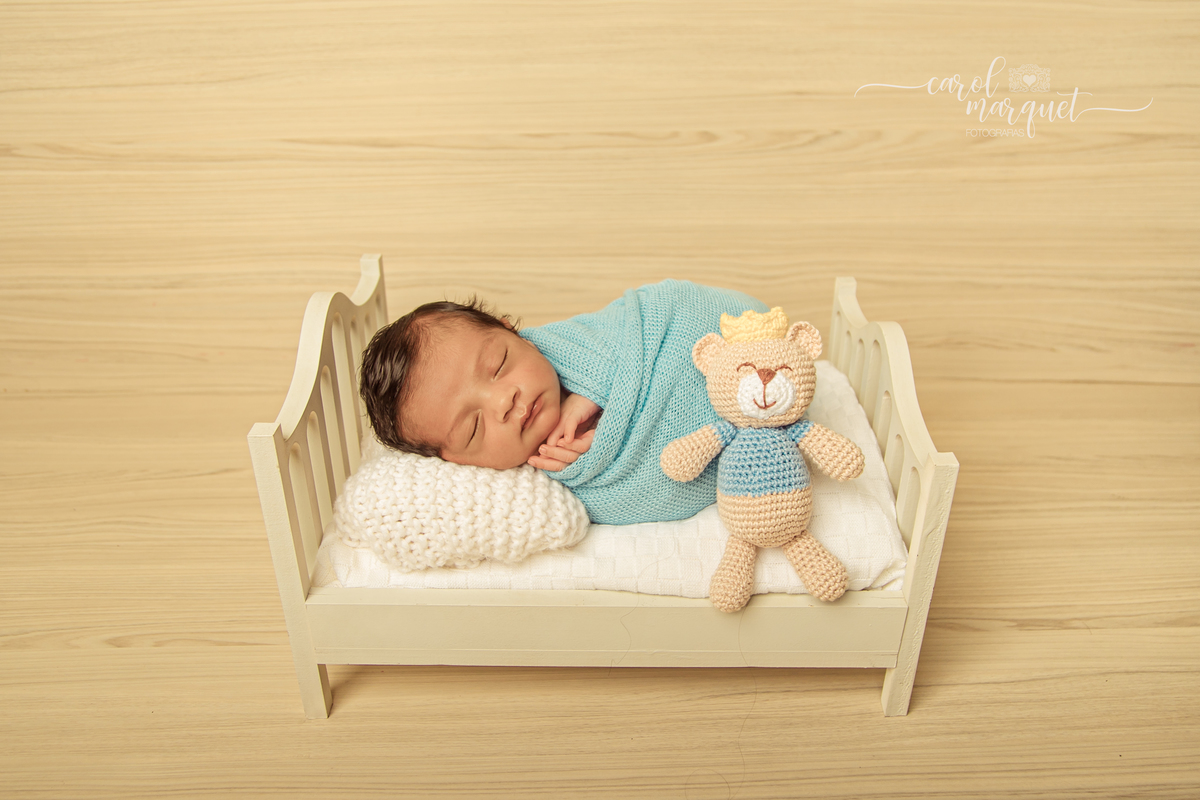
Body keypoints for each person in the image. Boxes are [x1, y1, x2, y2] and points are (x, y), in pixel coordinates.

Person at [360, 280, 768, 525]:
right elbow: (637, 490)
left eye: (499, 364)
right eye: (473, 428)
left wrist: (597, 392)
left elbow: (655, 315)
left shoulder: (576, 343)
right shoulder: (531, 492)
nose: (503, 401)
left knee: (758, 356)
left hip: (731, 347)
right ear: (456, 462)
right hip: (743, 437)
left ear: (513, 333)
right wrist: (598, 448)